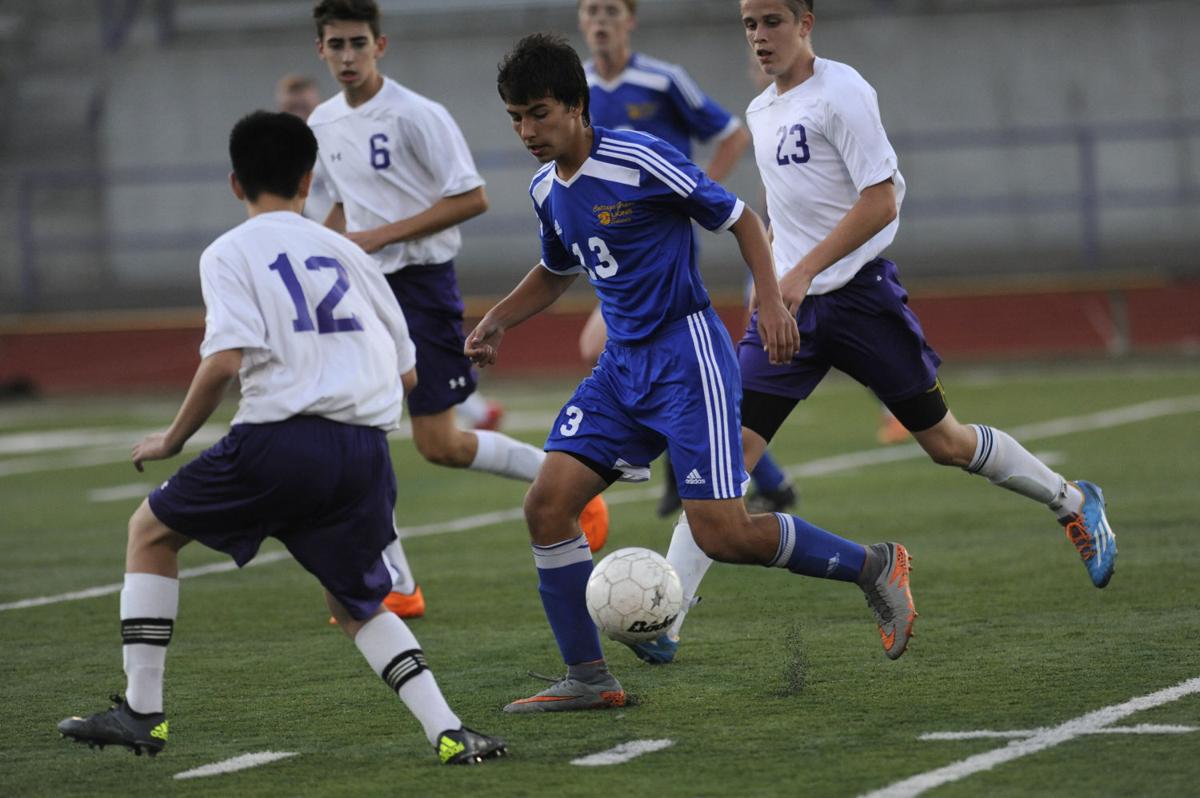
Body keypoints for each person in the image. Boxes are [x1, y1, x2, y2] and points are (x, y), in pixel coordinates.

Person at [644, 0, 1119, 664]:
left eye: (772, 21)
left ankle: (1073, 501)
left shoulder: (843, 91)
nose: (759, 36)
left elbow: (880, 199)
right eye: (749, 24)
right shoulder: (760, 111)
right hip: (794, 314)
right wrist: (770, 292)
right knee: (726, 457)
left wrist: (802, 273)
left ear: (806, 22)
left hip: (862, 302)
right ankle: (666, 616)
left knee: (946, 443)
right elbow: (785, 213)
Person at [467, 33, 916, 714]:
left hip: (687, 359)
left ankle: (873, 566)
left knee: (721, 533)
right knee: (547, 505)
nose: (528, 130)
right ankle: (589, 677)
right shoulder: (544, 188)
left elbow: (740, 221)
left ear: (579, 108)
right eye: (515, 118)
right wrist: (499, 318)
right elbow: (559, 269)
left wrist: (769, 300)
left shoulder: (641, 159)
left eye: (539, 113)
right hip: (622, 369)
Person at [56, 111, 506, 765]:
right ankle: (448, 730)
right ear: (309, 179)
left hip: (281, 441)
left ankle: (142, 712)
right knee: (357, 601)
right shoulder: (353, 252)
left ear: (236, 184)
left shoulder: (228, 252)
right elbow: (409, 369)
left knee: (150, 532)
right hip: (364, 454)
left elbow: (224, 360)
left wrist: (174, 438)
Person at [305, 0, 609, 620]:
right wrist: (317, 258)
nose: (346, 56)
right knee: (351, 429)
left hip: (421, 285)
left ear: (379, 46)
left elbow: (471, 197)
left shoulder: (418, 115)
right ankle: (397, 585)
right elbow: (333, 210)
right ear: (320, 50)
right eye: (335, 45)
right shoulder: (322, 122)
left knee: (438, 443)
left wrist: (383, 235)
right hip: (363, 291)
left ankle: (569, 486)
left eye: (356, 43)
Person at [575, 0, 796, 518]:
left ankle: (682, 462)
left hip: (657, 244)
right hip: (610, 249)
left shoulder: (662, 79)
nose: (600, 20)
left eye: (611, 9)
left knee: (614, 347)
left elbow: (732, 133)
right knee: (659, 363)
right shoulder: (576, 89)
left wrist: (697, 194)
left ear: (630, 20)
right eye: (591, 10)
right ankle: (753, 474)